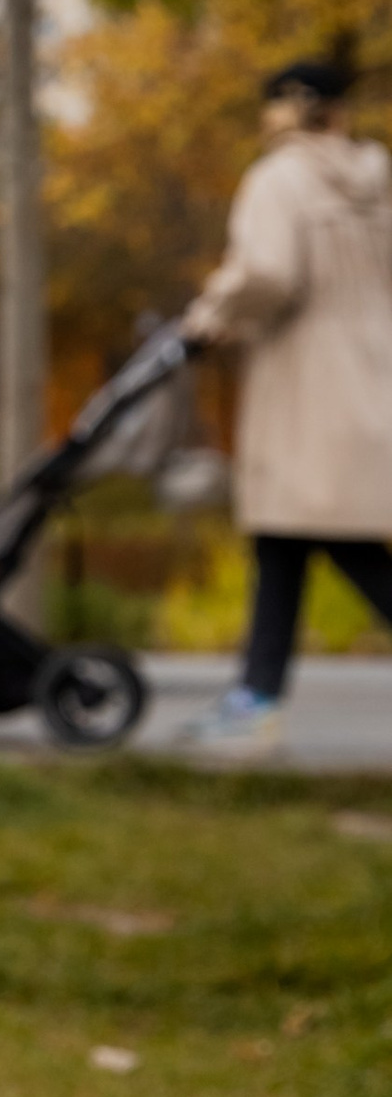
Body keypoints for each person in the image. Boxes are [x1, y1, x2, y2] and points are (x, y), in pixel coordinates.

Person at [183, 54, 392, 746]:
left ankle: (255, 704)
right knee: (289, 542)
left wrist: (214, 310)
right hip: (372, 376)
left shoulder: (279, 179)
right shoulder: (379, 179)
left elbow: (269, 272)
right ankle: (256, 698)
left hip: (306, 383)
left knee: (329, 539)